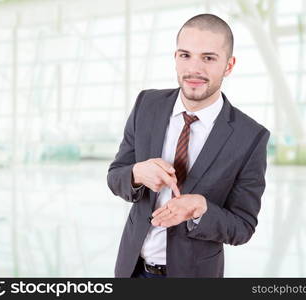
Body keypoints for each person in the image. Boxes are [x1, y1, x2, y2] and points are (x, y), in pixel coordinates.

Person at [107, 13, 270, 278]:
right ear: (175, 58)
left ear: (229, 66)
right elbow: (115, 176)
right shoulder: (146, 105)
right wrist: (137, 173)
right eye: (185, 55)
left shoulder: (250, 137)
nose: (194, 69)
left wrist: (201, 209)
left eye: (208, 58)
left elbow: (243, 227)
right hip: (131, 270)